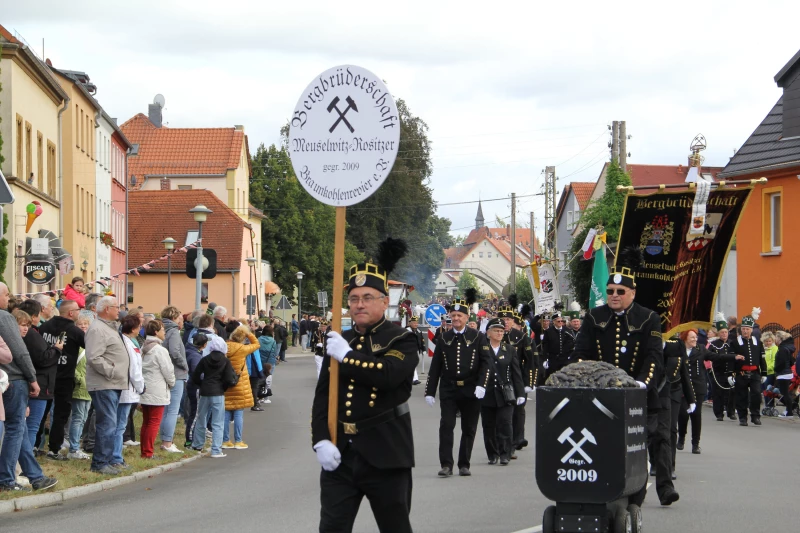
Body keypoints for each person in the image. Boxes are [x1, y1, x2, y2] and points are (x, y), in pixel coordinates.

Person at [312, 238, 418, 533]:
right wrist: (320, 439)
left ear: (385, 301)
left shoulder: (402, 338)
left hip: (386, 453)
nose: (359, 304)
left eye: (368, 297)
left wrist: (347, 357)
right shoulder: (339, 339)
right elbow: (323, 397)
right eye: (354, 298)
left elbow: (389, 376)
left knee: (395, 528)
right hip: (342, 453)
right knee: (331, 528)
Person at [570, 248, 669, 506]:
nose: (614, 296)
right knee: (600, 444)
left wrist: (641, 383)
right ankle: (600, 490)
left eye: (620, 292)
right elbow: (581, 353)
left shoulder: (649, 318)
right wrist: (583, 377)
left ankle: (637, 496)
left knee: (638, 446)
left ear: (632, 294)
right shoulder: (594, 316)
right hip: (601, 395)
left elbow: (653, 357)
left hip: (639, 395)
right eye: (610, 291)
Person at [0, 282, 58, 492]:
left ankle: (35, 477)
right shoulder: (4, 317)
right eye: (6, 294)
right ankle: (6, 480)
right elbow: (19, 351)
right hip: (14, 379)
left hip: (4, 381)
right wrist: (32, 379)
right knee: (16, 430)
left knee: (20, 431)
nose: (9, 299)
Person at [424, 289, 488, 477]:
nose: (456, 319)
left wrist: (481, 384)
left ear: (467, 317)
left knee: (469, 428)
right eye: (453, 316)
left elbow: (486, 363)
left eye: (459, 315)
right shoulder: (444, 338)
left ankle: (464, 464)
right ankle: (446, 464)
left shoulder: (478, 337)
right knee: (447, 426)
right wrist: (429, 391)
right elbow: (436, 366)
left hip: (471, 388)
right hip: (449, 388)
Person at [84, 296, 128, 475]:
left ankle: (108, 460)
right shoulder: (97, 329)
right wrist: (111, 371)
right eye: (116, 307)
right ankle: (100, 463)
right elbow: (94, 357)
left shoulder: (108, 327)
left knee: (111, 423)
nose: (119, 310)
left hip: (112, 382)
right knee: (107, 423)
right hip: (104, 383)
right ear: (106, 309)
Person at [38, 298, 85, 460]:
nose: (79, 313)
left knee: (41, 412)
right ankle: (54, 449)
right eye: (78, 310)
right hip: (65, 377)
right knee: (60, 415)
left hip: (46, 375)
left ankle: (36, 445)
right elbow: (90, 346)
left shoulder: (44, 326)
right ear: (71, 313)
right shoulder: (74, 330)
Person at [14, 304, 60, 454]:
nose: (25, 328)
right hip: (37, 386)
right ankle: (26, 463)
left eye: (27, 325)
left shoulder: (27, 336)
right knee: (31, 426)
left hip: (36, 384)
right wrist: (56, 349)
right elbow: (41, 359)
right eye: (22, 325)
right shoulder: (30, 337)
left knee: (27, 427)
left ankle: (23, 462)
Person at [479, 317, 525, 466]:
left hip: (505, 393)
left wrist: (520, 393)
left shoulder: (509, 349)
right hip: (488, 393)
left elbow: (516, 373)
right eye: (496, 331)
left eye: (501, 331)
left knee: (505, 423)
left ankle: (505, 453)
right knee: (489, 425)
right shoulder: (482, 349)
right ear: (488, 333)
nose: (499, 333)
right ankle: (492, 454)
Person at [190, 338, 236, 458]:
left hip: (205, 391)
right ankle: (216, 450)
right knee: (218, 422)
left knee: (201, 418)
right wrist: (222, 387)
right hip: (218, 392)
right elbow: (228, 379)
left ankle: (198, 445)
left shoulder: (205, 359)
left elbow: (195, 376)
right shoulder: (225, 361)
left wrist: (202, 384)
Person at [139, 320, 175, 458]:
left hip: (145, 388)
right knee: (154, 422)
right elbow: (168, 370)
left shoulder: (143, 347)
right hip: (157, 390)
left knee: (146, 422)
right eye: (162, 329)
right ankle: (148, 452)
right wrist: (171, 383)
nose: (164, 332)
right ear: (156, 332)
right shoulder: (160, 350)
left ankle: (145, 450)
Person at [115, 315, 146, 469]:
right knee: (120, 425)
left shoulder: (128, 342)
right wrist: (141, 387)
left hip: (127, 388)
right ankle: (116, 456)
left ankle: (115, 455)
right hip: (127, 388)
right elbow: (134, 369)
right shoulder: (128, 344)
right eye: (139, 326)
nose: (140, 329)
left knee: (119, 424)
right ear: (134, 329)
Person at [223, 326, 260, 449]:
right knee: (238, 413)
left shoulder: (224, 347)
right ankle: (238, 441)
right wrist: (248, 333)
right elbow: (256, 344)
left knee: (226, 412)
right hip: (239, 383)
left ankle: (225, 440)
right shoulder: (243, 349)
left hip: (226, 383)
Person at [159, 306, 188, 453]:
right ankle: (167, 442)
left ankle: (164, 439)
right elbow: (175, 352)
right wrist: (185, 365)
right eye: (180, 318)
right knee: (172, 410)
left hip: (166, 373)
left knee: (165, 409)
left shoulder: (163, 329)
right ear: (174, 317)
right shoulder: (174, 332)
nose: (181, 321)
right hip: (176, 373)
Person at [731, 314, 767, 426]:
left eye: (747, 329)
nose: (745, 331)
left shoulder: (758, 342)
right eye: (743, 329)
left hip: (755, 372)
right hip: (741, 373)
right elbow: (731, 359)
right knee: (741, 396)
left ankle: (755, 416)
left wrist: (764, 373)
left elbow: (762, 359)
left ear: (751, 330)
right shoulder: (735, 342)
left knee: (756, 394)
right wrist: (731, 374)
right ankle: (742, 417)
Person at [67, 314, 92, 460]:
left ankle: (77, 445)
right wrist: (80, 379)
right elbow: (73, 366)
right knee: (77, 417)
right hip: (80, 385)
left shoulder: (89, 344)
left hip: (89, 386)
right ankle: (74, 448)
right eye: (80, 324)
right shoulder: (77, 346)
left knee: (83, 418)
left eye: (85, 324)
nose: (83, 326)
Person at [677, 330, 706, 454]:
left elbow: (717, 356)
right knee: (683, 414)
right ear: (685, 338)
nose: (695, 339)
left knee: (696, 415)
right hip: (683, 387)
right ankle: (681, 437)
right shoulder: (678, 349)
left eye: (696, 337)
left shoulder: (701, 349)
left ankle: (695, 444)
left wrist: (734, 357)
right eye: (692, 337)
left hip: (697, 387)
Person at [708, 315, 737, 421]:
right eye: (722, 332)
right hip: (718, 372)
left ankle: (731, 412)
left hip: (730, 372)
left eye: (725, 332)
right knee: (718, 393)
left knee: (731, 393)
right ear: (718, 333)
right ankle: (719, 413)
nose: (724, 334)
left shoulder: (732, 343)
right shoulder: (714, 344)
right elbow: (709, 356)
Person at [183, 329, 205, 446]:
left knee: (194, 412)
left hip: (192, 385)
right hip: (195, 386)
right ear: (204, 345)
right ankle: (189, 440)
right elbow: (197, 373)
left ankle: (192, 437)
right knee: (195, 413)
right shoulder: (195, 356)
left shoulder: (190, 351)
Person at [541, 310, 574, 378]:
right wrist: (545, 359)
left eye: (561, 321)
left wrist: (570, 355)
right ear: (554, 322)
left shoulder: (567, 330)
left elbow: (571, 343)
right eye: (558, 321)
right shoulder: (548, 332)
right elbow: (545, 347)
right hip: (553, 359)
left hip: (564, 359)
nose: (560, 322)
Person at [773, 331, 796, 418]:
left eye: (776, 337)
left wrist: (776, 369)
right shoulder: (787, 348)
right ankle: (789, 410)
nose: (775, 339)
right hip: (787, 372)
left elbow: (782, 362)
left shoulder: (782, 348)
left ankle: (789, 412)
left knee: (785, 393)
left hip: (783, 373)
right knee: (786, 393)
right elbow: (791, 361)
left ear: (779, 339)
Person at [257, 324, 278, 403]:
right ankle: (266, 396)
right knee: (268, 377)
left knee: (260, 377)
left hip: (260, 360)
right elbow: (275, 351)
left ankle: (259, 396)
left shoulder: (259, 339)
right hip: (270, 361)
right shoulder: (273, 341)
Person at [761, 331, 778, 410]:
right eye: (766, 341)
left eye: (769, 341)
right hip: (762, 373)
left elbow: (774, 360)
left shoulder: (774, 349)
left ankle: (770, 406)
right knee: (764, 390)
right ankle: (766, 406)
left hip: (770, 373)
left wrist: (769, 368)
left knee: (769, 390)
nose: (768, 343)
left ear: (773, 341)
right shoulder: (762, 349)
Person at [407, 316, 425, 385]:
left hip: (416, 350)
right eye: (414, 323)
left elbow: (422, 340)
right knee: (412, 364)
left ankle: (414, 378)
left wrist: (423, 349)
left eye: (416, 323)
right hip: (408, 351)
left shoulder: (418, 331)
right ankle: (414, 379)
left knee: (414, 364)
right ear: (410, 323)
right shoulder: (407, 331)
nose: (415, 324)